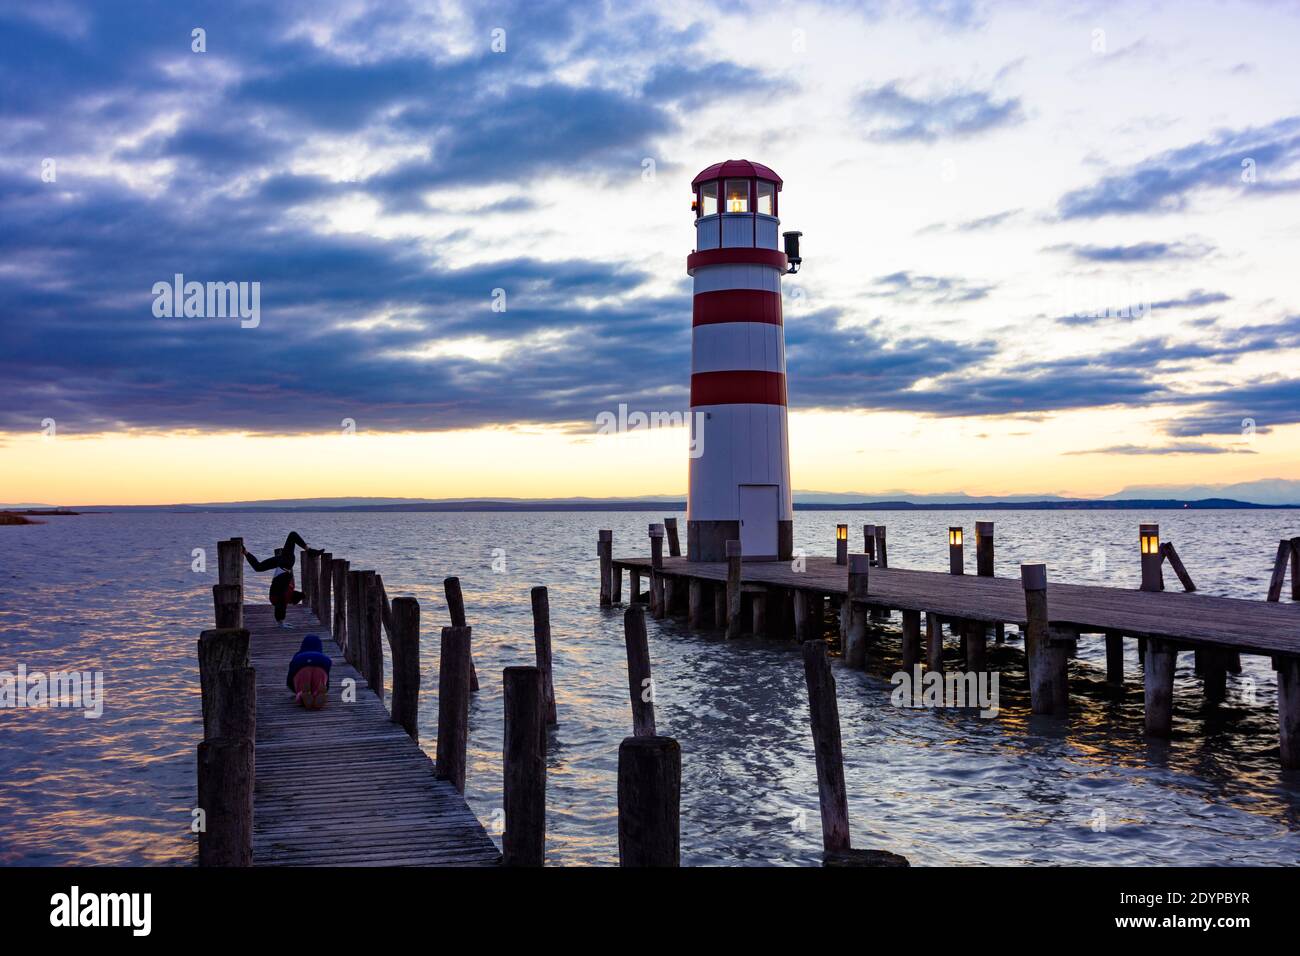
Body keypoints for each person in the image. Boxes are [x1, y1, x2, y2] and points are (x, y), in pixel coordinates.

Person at [243, 531, 310, 628]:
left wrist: (281, 622)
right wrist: (281, 622)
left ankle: (245, 552)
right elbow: (283, 605)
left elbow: (281, 608)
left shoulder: (282, 596)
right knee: (258, 567)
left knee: (292, 536)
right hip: (284, 564)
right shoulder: (285, 594)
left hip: (285, 563)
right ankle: (245, 552)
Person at [286, 634, 331, 710]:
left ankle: (302, 694)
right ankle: (317, 693)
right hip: (322, 662)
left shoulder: (298, 655)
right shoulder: (323, 656)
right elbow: (327, 675)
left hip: (301, 663)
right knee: (317, 687)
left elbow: (291, 675)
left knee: (301, 689)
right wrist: (326, 687)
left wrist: (292, 687)